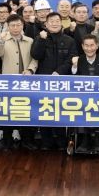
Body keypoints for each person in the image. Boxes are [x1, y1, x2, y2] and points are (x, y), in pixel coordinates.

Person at [28, 12, 77, 150]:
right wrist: (41, 40)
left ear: (61, 23)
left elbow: (72, 59)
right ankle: (46, 142)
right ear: (46, 24)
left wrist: (59, 72)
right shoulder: (40, 38)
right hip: (43, 81)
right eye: (51, 21)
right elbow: (35, 55)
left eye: (57, 21)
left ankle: (62, 141)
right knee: (45, 110)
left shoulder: (69, 40)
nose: (54, 23)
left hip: (62, 81)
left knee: (60, 111)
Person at [0, 14, 36, 147]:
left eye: (18, 25)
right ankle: (7, 140)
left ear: (23, 26)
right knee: (8, 111)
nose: (15, 28)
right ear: (8, 26)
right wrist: (1, 41)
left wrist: (30, 70)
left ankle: (27, 140)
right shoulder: (3, 39)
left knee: (27, 111)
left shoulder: (30, 40)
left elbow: (35, 59)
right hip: (9, 82)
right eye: (12, 25)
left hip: (26, 81)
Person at [70, 34, 99, 153]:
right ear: (82, 46)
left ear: (97, 46)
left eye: (92, 45)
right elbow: (72, 80)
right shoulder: (79, 60)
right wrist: (74, 66)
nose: (89, 48)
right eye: (86, 46)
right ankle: (85, 139)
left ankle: (97, 139)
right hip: (82, 98)